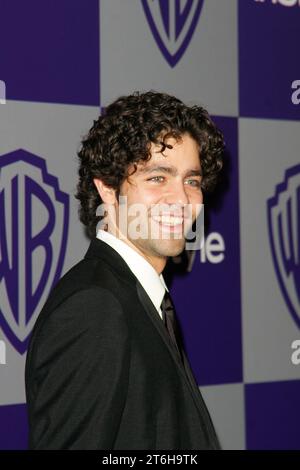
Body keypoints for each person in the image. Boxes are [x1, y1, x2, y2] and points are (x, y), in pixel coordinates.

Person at [25, 90, 224, 450]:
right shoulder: (94, 308)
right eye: (157, 178)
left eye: (191, 181)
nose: (181, 200)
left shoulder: (142, 298)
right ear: (107, 187)